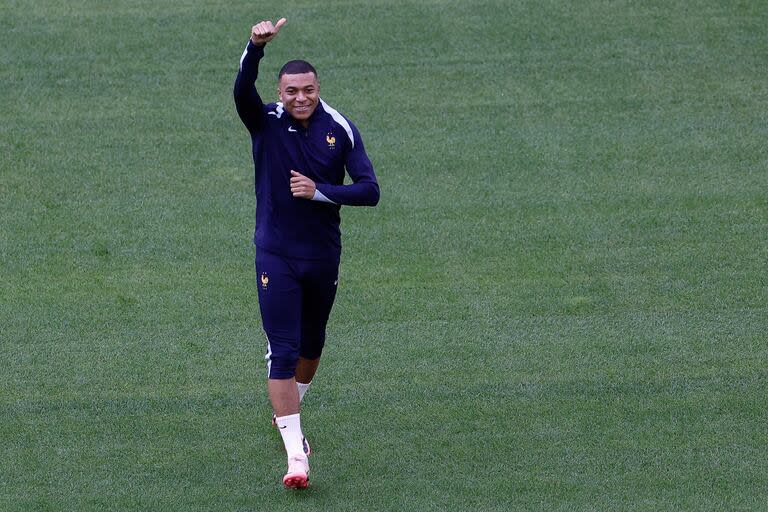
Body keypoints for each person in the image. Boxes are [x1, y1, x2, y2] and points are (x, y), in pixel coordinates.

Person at [233, 17, 380, 489]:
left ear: (318, 88)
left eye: (308, 90)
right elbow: (241, 91)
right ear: (280, 92)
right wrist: (254, 48)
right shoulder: (266, 120)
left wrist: (320, 191)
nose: (300, 98)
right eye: (291, 90)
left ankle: (288, 409)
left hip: (321, 256)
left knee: (312, 346)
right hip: (274, 252)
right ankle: (296, 455)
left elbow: (370, 191)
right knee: (283, 348)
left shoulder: (339, 128)